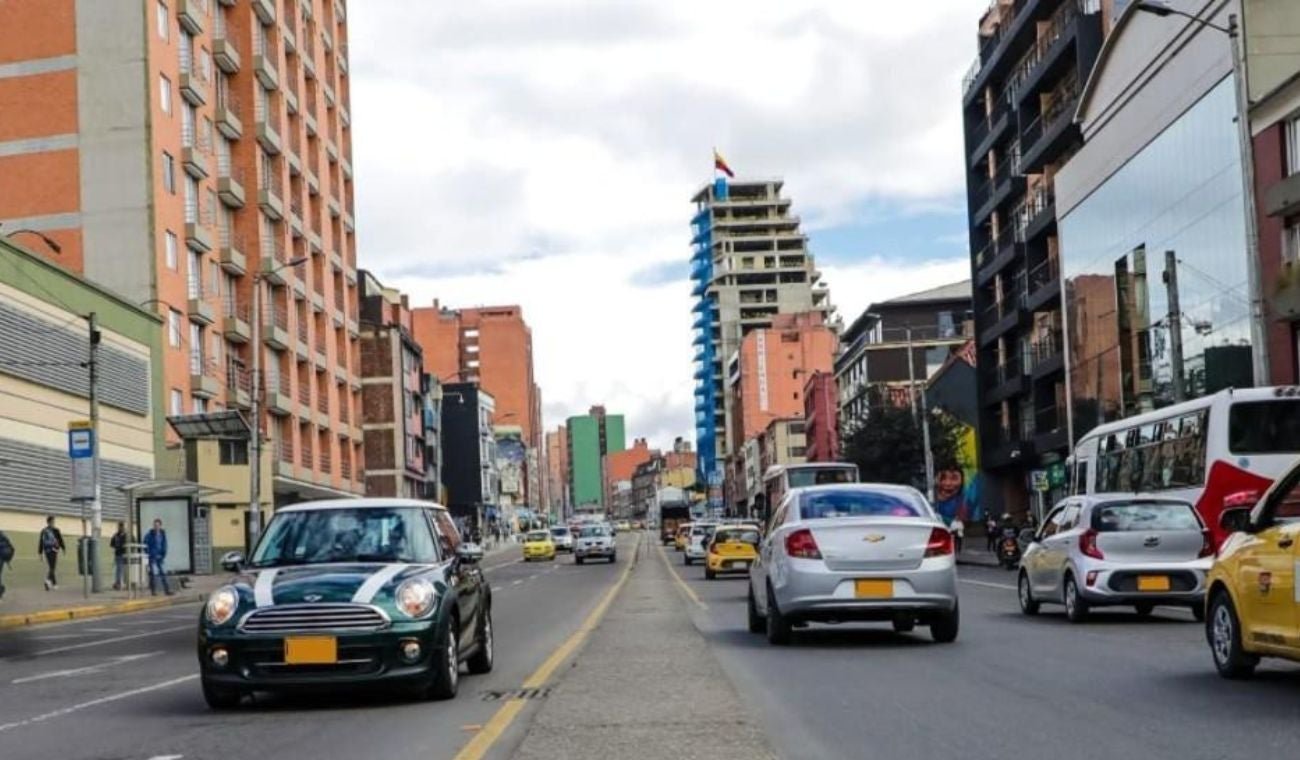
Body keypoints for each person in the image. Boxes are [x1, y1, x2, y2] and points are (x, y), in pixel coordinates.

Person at [143, 519, 173, 596]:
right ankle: (154, 591)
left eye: (157, 525)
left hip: (160, 557)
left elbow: (164, 545)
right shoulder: (149, 535)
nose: (156, 527)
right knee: (153, 574)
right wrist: (149, 553)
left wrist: (163, 554)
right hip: (152, 557)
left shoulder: (162, 535)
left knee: (163, 573)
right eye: (155, 525)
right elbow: (145, 545)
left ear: (160, 526)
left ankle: (167, 590)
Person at [37, 516, 65, 591]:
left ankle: (54, 584)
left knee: (51, 567)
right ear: (49, 522)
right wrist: (63, 548)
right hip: (53, 550)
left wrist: (40, 552)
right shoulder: (56, 530)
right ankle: (48, 581)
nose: (53, 523)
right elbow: (60, 540)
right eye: (53, 521)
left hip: (47, 551)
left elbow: (41, 542)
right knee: (52, 567)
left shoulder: (44, 530)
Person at [110, 522, 128, 591]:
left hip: (125, 555)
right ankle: (119, 583)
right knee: (119, 569)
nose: (121, 528)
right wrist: (117, 546)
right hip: (118, 554)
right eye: (120, 527)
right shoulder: (116, 535)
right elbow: (112, 544)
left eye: (122, 527)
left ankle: (122, 583)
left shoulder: (126, 535)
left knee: (121, 569)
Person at [0, 528, 14, 600]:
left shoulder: (2, 535)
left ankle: (1, 590)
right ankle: (1, 589)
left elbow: (8, 547)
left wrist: (7, 559)